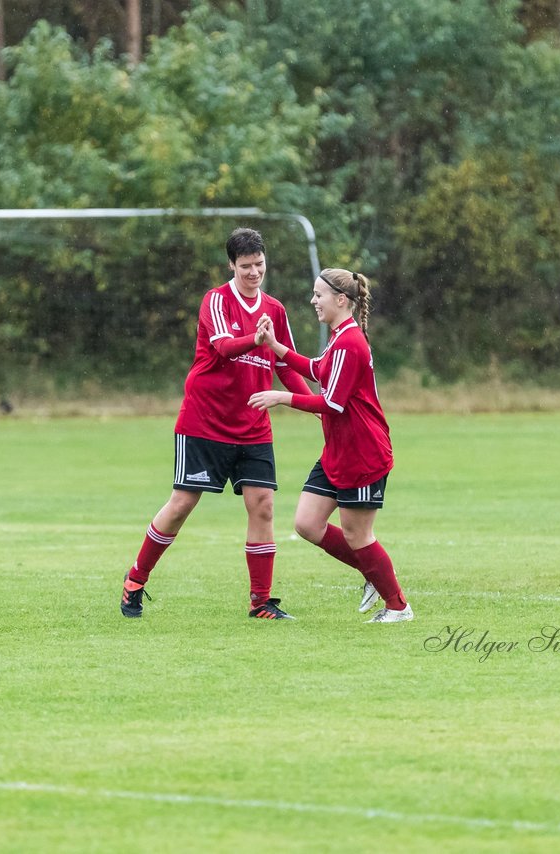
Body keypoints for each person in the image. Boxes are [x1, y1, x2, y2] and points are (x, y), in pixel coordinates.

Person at [120, 227, 313, 620]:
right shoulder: (216, 301)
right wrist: (255, 340)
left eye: (259, 265)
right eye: (246, 267)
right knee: (181, 505)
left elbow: (285, 364)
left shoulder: (274, 309)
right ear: (231, 265)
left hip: (253, 423)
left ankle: (261, 602)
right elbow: (223, 347)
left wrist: (315, 404)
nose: (254, 272)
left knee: (263, 506)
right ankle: (135, 580)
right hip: (204, 421)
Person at [248, 268, 413, 623]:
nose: (313, 301)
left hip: (363, 454)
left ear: (342, 300)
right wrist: (276, 347)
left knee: (358, 535)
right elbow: (318, 369)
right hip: (338, 450)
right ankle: (372, 573)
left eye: (318, 295)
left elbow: (331, 403)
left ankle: (398, 607)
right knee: (307, 523)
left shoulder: (351, 343)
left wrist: (282, 396)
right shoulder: (339, 338)